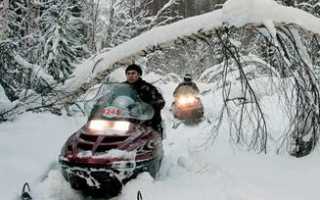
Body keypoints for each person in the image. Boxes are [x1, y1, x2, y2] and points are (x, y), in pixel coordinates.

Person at [124, 64, 165, 137]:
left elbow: (160, 100)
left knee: (152, 132)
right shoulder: (121, 87)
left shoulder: (148, 87)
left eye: (133, 73)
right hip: (124, 117)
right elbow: (111, 98)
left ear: (139, 74)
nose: (130, 76)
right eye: (128, 73)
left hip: (145, 120)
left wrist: (151, 105)